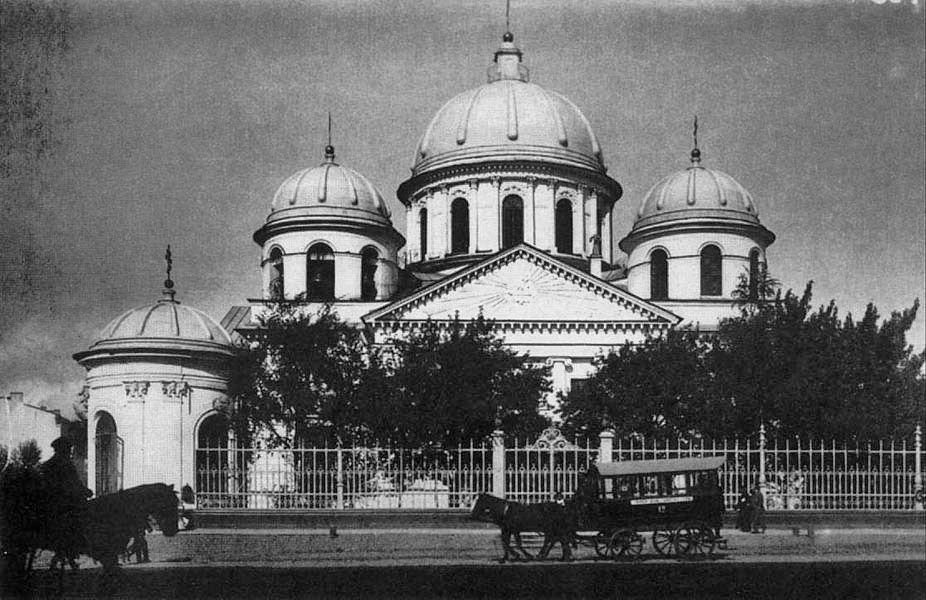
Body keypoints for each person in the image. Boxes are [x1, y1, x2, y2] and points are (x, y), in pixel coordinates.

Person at [40, 436, 93, 566]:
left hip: (51, 504)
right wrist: (85, 491)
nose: (70, 451)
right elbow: (73, 483)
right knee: (82, 520)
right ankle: (77, 548)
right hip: (63, 504)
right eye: (68, 449)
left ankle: (65, 555)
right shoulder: (65, 464)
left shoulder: (48, 465)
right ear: (62, 449)